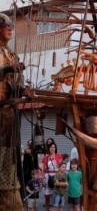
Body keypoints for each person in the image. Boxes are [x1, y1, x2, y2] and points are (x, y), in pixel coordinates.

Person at [0, 13, 30, 210]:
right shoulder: (8, 59)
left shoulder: (12, 55)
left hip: (9, 114)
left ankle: (9, 193)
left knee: (9, 157)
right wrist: (7, 69)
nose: (10, 28)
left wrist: (24, 89)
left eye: (12, 25)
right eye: (6, 25)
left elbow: (17, 84)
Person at [42, 142, 63, 211]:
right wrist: (43, 179)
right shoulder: (45, 158)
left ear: (55, 148)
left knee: (58, 196)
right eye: (51, 147)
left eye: (54, 147)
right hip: (47, 177)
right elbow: (42, 169)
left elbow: (62, 168)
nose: (52, 148)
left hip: (57, 177)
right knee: (47, 197)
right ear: (48, 148)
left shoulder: (59, 156)